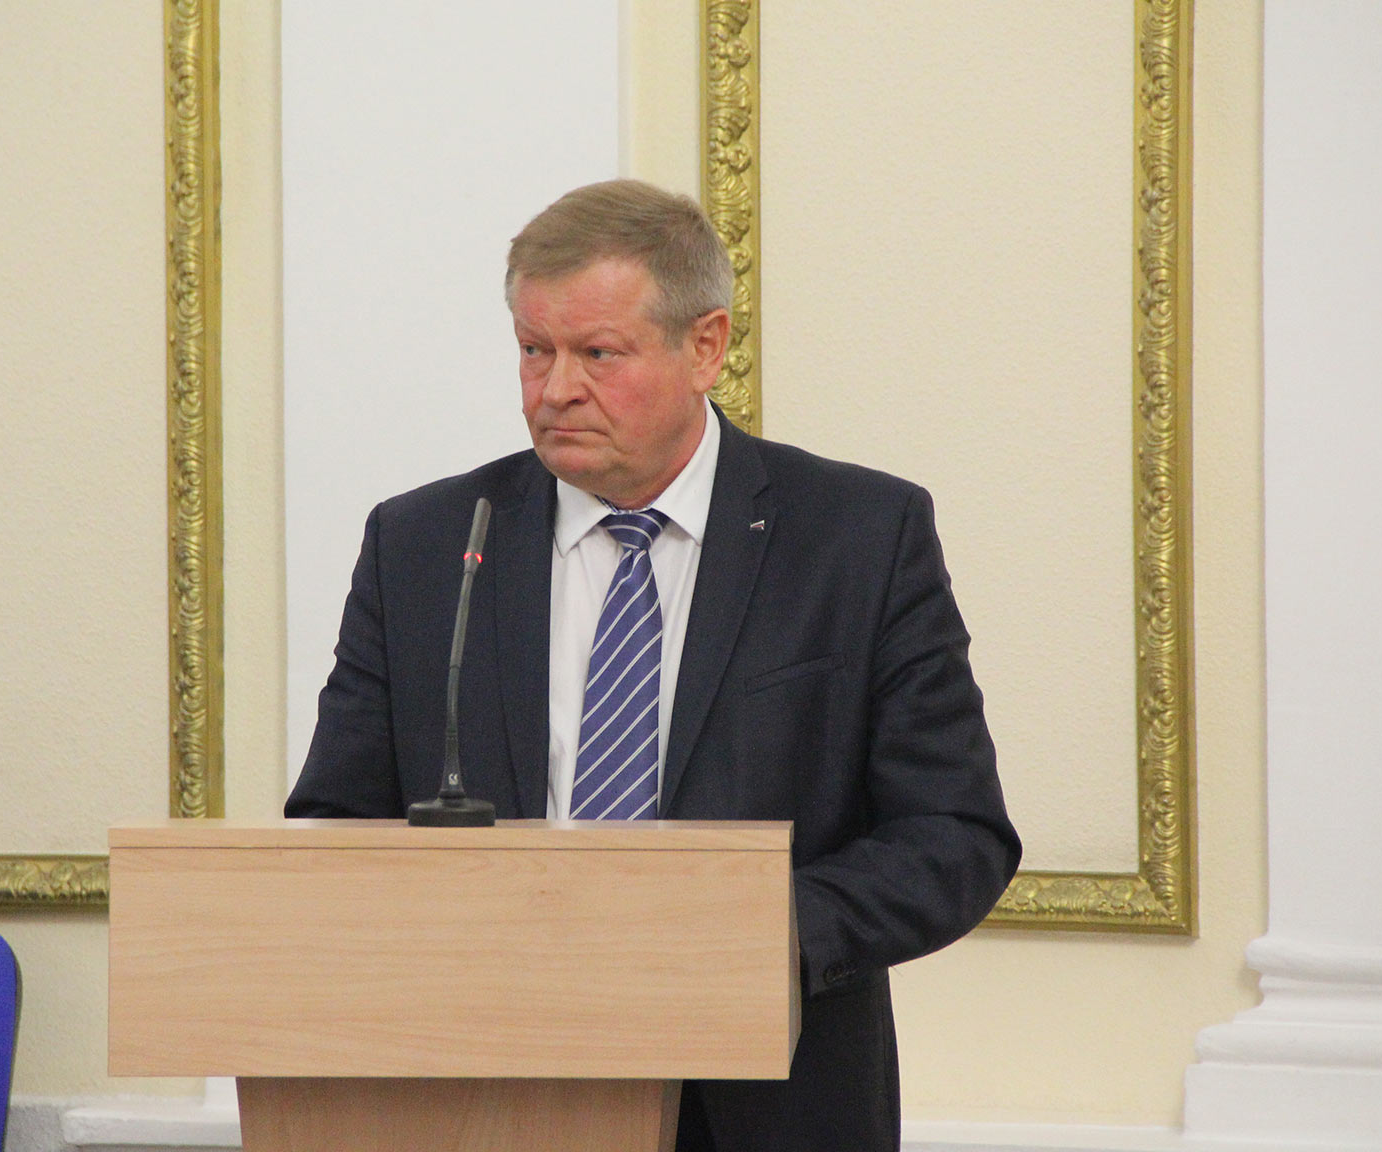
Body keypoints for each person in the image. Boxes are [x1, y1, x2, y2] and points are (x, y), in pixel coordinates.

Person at [286, 179, 1019, 1152]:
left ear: (705, 346)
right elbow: (335, 826)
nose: (554, 390)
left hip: (769, 1102)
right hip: (481, 1092)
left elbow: (954, 833)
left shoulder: (857, 538)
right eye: (533, 350)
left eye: (597, 354)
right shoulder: (427, 545)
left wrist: (757, 933)